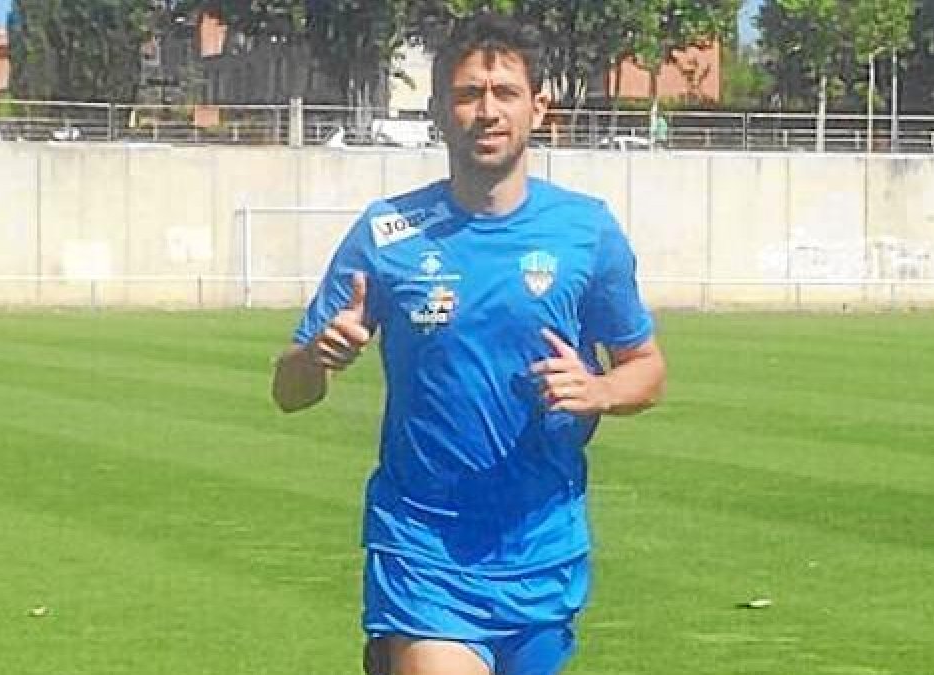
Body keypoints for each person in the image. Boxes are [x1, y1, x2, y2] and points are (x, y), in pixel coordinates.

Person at [271, 13, 666, 675]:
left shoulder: (585, 232)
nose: (487, 111)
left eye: (505, 92)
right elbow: (288, 392)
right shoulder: (388, 234)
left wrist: (598, 390)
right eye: (467, 94)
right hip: (423, 548)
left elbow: (647, 368)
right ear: (437, 110)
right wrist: (318, 358)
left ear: (539, 105)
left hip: (541, 549)